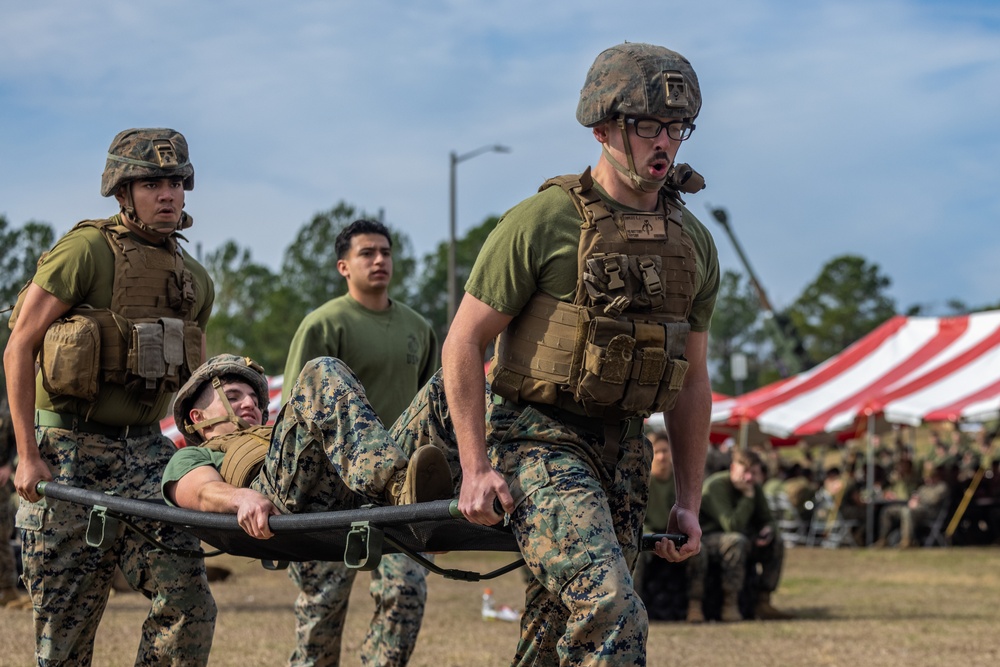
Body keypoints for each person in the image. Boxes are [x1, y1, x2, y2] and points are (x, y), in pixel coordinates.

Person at [442, 42, 720, 664]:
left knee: (552, 631)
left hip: (623, 450)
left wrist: (688, 501)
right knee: (611, 608)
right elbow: (464, 341)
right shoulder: (542, 221)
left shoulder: (694, 243)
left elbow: (693, 379)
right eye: (647, 125)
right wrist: (475, 466)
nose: (665, 143)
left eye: (677, 128)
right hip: (538, 441)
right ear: (602, 128)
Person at [3, 128, 218, 664]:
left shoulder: (194, 279)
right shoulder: (84, 251)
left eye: (175, 182)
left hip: (148, 455)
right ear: (123, 193)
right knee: (66, 631)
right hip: (68, 454)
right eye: (151, 183)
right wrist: (27, 455)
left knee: (189, 600)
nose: (167, 193)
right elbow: (20, 344)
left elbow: (200, 385)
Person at [281, 219, 439, 667]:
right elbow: (296, 408)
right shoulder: (324, 324)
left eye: (385, 252)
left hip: (397, 493)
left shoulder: (418, 327)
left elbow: (432, 409)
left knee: (406, 592)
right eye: (367, 253)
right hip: (331, 491)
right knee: (322, 608)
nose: (379, 260)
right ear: (343, 266)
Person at [162, 354, 453, 549]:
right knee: (319, 370)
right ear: (198, 418)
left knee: (448, 382)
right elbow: (199, 492)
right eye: (233, 397)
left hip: (352, 487)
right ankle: (405, 496)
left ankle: (470, 490)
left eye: (253, 398)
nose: (250, 404)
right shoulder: (195, 455)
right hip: (281, 500)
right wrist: (242, 497)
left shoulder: (282, 432)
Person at [686, 449, 792, 622]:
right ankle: (730, 603)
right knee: (735, 541)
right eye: (745, 472)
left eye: (754, 473)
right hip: (709, 537)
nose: (749, 478)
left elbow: (768, 519)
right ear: (733, 468)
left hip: (741, 536)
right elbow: (731, 524)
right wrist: (748, 498)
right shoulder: (716, 486)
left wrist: (768, 530)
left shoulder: (754, 487)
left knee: (777, 542)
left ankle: (763, 600)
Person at [0, 390, 32, 610]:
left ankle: (8, 589)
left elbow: (16, 439)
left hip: (1, 483)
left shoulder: (5, 406)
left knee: (2, 535)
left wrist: (9, 465)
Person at [875, 461, 949, 548]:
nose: (927, 479)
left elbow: (933, 500)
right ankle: (883, 540)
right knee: (887, 511)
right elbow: (915, 496)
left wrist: (919, 500)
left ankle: (907, 541)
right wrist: (913, 500)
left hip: (929, 513)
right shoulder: (923, 488)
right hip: (916, 509)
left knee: (907, 511)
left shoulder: (942, 487)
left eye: (930, 477)